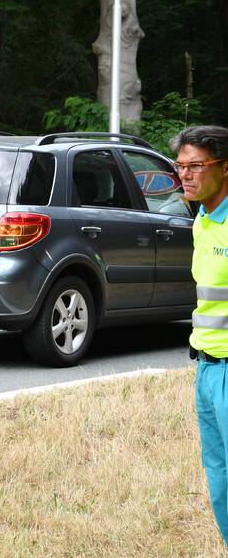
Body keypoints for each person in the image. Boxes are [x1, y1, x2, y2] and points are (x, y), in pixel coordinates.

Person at [172, 125, 228, 545]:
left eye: (196, 166)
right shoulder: (203, 221)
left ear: (224, 168)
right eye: (181, 166)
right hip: (207, 372)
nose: (185, 175)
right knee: (220, 483)